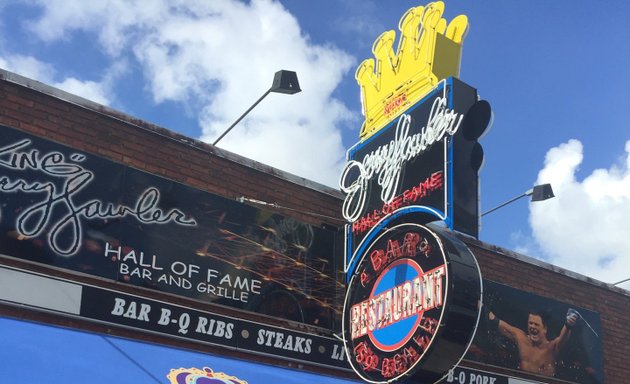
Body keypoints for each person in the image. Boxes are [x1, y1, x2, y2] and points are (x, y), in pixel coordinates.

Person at [487, 308, 578, 377]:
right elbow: (496, 322)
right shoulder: (521, 338)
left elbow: (563, 338)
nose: (532, 326)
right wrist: (480, 305)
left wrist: (568, 325)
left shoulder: (551, 348)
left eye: (536, 324)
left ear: (544, 329)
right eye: (530, 323)